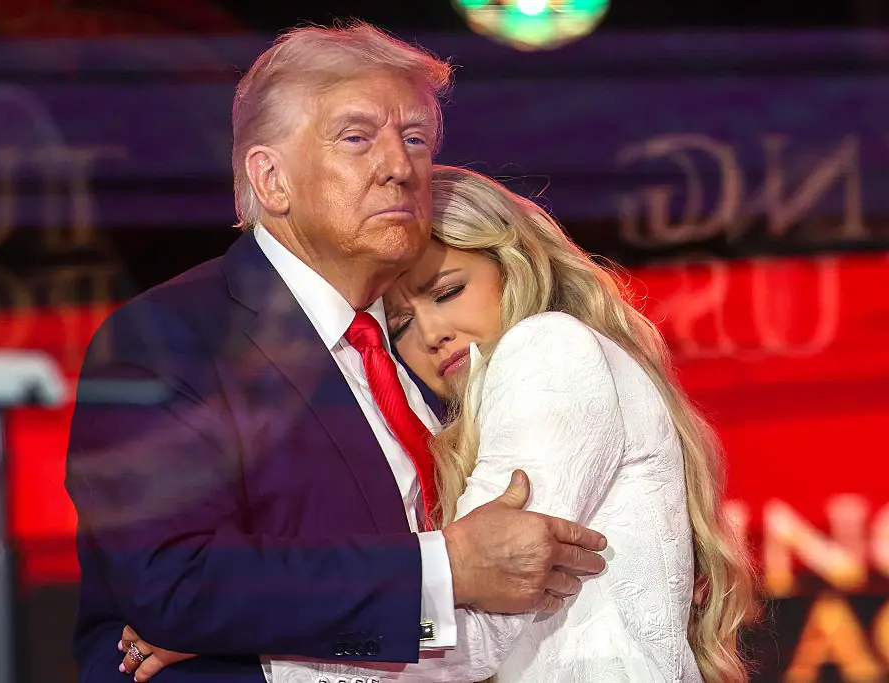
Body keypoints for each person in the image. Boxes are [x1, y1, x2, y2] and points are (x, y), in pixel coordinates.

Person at [65, 24, 607, 683]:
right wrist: (445, 570)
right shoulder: (166, 339)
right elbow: (174, 583)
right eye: (358, 138)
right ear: (271, 179)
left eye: (414, 139)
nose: (399, 166)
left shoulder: (444, 349)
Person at [122, 166, 755, 682]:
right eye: (398, 323)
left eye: (447, 291)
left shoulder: (547, 349)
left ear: (514, 263)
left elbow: (478, 627)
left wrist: (236, 631)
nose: (430, 333)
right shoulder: (504, 393)